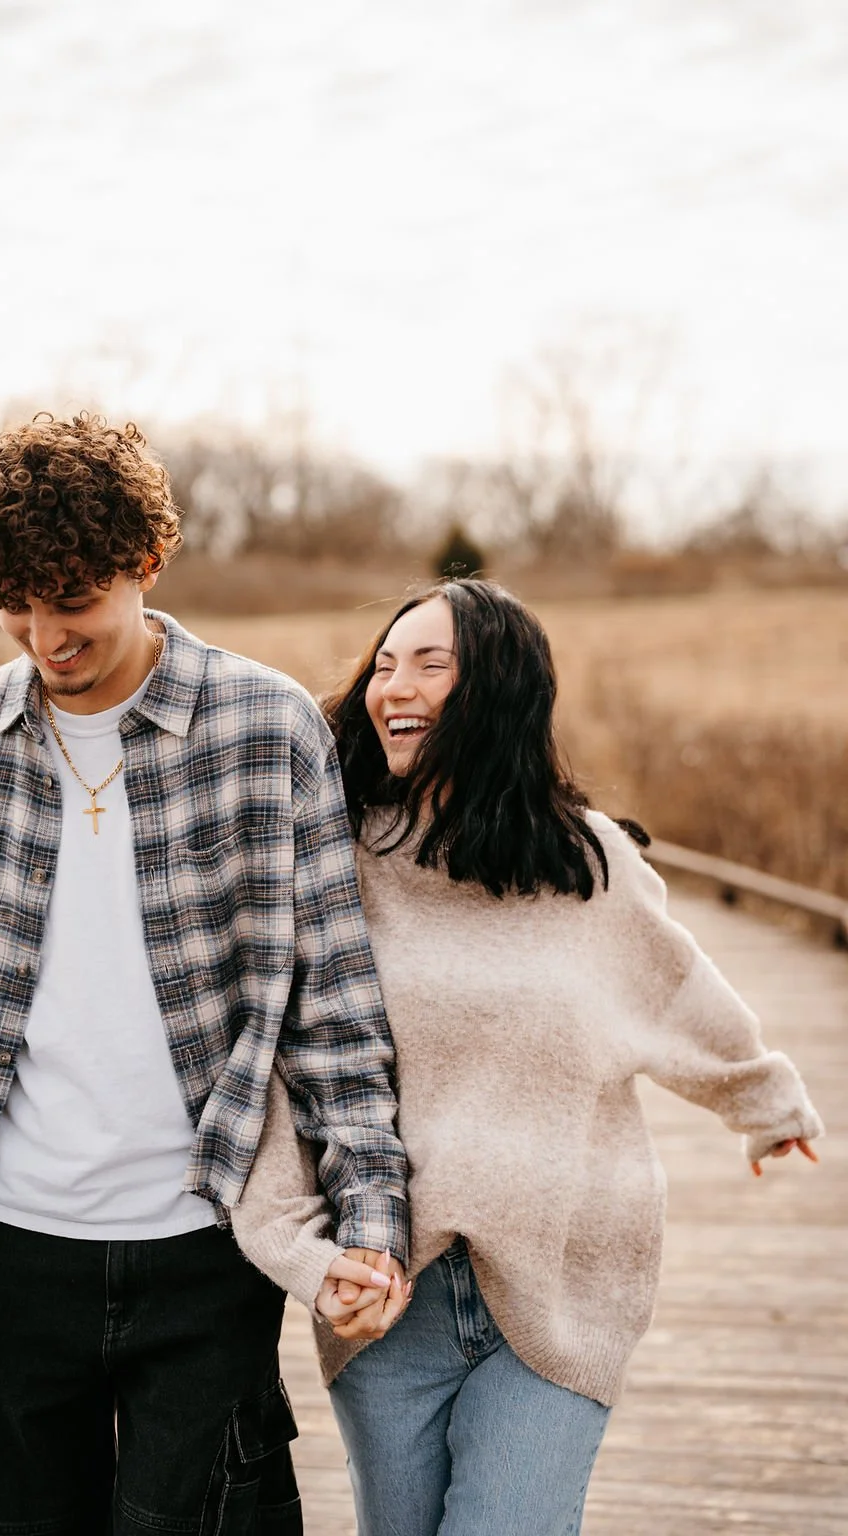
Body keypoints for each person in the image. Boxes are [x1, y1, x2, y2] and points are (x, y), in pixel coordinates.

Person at [0, 412, 408, 1536]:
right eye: (15, 604)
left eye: (74, 601)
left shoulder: (266, 726)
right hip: (12, 1252)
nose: (45, 636)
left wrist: (370, 1213)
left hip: (207, 1241)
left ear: (145, 565)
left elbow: (332, 1001)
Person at [231, 577, 823, 1536]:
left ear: (499, 688)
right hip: (392, 1295)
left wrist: (762, 1098)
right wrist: (304, 1248)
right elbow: (291, 1068)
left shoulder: (585, 863)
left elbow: (675, 985)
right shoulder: (335, 861)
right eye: (384, 664)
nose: (394, 687)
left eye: (431, 662)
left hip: (566, 1278)